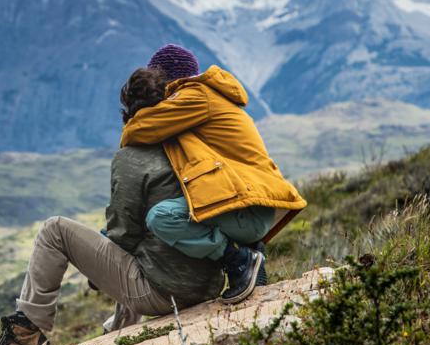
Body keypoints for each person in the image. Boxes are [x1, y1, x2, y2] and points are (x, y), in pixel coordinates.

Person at [0, 69, 225, 345]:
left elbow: (123, 233)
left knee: (55, 229)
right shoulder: (191, 143)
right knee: (144, 247)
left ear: (128, 112)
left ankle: (27, 334)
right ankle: (116, 333)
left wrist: (98, 266)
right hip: (210, 282)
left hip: (166, 292)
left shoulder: (132, 156)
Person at [120, 44, 307, 304]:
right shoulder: (207, 97)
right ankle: (249, 252)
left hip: (248, 210)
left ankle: (239, 259)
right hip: (252, 205)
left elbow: (137, 129)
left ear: (167, 81)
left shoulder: (196, 96)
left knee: (161, 217)